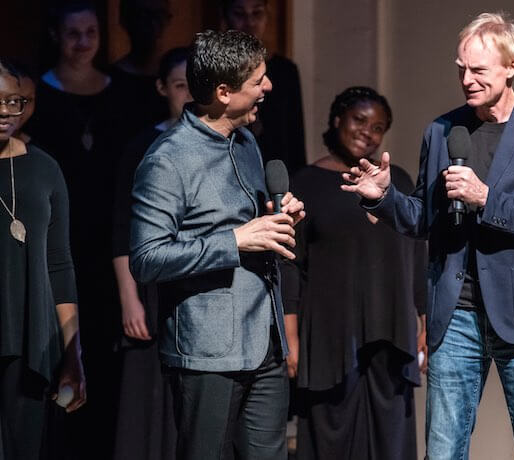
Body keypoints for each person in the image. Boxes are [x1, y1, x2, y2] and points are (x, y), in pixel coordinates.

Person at [342, 12, 514, 460]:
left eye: (478, 70)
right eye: (461, 69)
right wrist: (382, 197)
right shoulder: (442, 131)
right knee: (444, 451)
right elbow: (423, 219)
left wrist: (486, 198)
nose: (466, 80)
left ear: (511, 67)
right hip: (457, 317)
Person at [129, 30, 305, 460]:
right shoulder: (168, 159)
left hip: (264, 340)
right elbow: (146, 259)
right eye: (257, 81)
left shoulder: (246, 141)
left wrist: (278, 218)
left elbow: (253, 229)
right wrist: (235, 240)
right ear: (224, 92)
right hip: (208, 352)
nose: (269, 87)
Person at [281, 86, 427, 459]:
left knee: (391, 440)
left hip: (391, 331)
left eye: (378, 127)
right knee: (330, 436)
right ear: (337, 120)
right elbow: (291, 263)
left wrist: (424, 321)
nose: (368, 132)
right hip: (330, 333)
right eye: (359, 120)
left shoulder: (399, 182)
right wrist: (291, 335)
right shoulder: (306, 183)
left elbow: (417, 256)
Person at [23, 2, 129, 456]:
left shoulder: (121, 92)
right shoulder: (34, 97)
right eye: (73, 34)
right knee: (57, 338)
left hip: (105, 239)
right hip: (54, 237)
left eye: (91, 33)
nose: (83, 43)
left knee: (104, 347)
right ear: (55, 36)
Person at [0, 58, 86, 459]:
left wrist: (73, 354)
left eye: (15, 101)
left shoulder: (44, 168)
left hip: (29, 342)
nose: (6, 111)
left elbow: (60, 265)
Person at [111, 46, 191, 460]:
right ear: (162, 88)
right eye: (180, 85)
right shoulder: (143, 145)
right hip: (150, 284)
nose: (189, 94)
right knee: (145, 394)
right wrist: (129, 299)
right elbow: (123, 227)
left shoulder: (222, 142)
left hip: (194, 284)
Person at [222, 0, 306, 174]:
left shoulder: (284, 70)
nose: (250, 23)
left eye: (257, 13)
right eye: (239, 14)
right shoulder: (219, 69)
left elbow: (294, 133)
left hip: (276, 167)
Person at [110, 0, 171, 136]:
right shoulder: (108, 82)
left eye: (159, 15)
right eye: (143, 14)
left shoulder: (177, 78)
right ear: (125, 20)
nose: (153, 23)